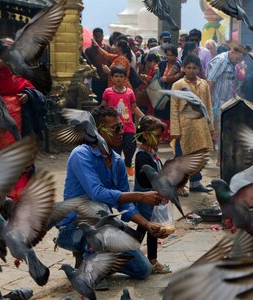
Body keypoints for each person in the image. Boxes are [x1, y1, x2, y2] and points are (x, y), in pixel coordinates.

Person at [56, 106, 169, 284]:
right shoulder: (81, 155)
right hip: (74, 229)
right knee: (99, 212)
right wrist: (140, 196)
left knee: (143, 269)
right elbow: (98, 193)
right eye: (116, 128)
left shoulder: (117, 160)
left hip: (104, 228)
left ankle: (99, 261)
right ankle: (90, 263)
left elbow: (125, 205)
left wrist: (148, 225)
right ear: (98, 131)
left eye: (122, 127)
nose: (122, 132)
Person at [0, 37, 44, 201]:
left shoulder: (21, 69)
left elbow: (34, 90)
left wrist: (27, 96)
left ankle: (19, 192)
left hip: (20, 117)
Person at [134, 115, 172, 274]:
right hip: (146, 197)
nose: (159, 139)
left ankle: (130, 252)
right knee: (151, 229)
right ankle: (152, 260)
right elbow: (146, 179)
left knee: (143, 228)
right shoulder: (142, 155)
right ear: (146, 135)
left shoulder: (151, 153)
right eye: (156, 136)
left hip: (153, 198)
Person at [170, 55, 214, 193]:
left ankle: (195, 183)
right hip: (184, 128)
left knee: (198, 156)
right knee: (182, 156)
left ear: (199, 68)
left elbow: (208, 105)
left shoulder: (204, 84)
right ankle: (178, 186)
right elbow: (174, 108)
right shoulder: (177, 85)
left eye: (194, 68)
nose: (191, 70)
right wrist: (175, 129)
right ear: (183, 68)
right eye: (188, 67)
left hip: (201, 126)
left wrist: (210, 126)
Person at [101, 66, 144, 176]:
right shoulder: (108, 92)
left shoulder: (129, 92)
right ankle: (117, 173)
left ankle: (128, 164)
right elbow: (103, 107)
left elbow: (134, 107)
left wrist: (144, 117)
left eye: (121, 76)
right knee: (116, 152)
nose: (119, 79)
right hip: (114, 128)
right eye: (116, 76)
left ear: (125, 78)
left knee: (130, 148)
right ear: (112, 78)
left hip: (128, 127)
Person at [207, 41, 245, 160]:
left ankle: (221, 159)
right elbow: (210, 81)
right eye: (237, 59)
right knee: (220, 132)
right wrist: (209, 101)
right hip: (217, 102)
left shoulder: (232, 63)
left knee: (224, 131)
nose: (238, 62)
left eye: (240, 60)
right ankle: (220, 159)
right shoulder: (221, 61)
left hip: (226, 102)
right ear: (232, 52)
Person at [156, 45, 183, 143]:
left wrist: (167, 79)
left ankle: (169, 136)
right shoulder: (162, 64)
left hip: (173, 92)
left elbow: (178, 77)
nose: (169, 57)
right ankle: (162, 136)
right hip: (162, 92)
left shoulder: (179, 65)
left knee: (170, 114)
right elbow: (158, 75)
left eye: (171, 55)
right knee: (161, 114)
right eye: (167, 55)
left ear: (176, 56)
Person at [84, 28, 112, 103]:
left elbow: (111, 61)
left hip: (107, 78)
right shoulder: (89, 50)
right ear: (93, 37)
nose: (97, 38)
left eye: (99, 36)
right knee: (97, 99)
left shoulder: (108, 48)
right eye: (95, 36)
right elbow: (87, 64)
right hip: (96, 79)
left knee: (107, 99)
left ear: (102, 36)